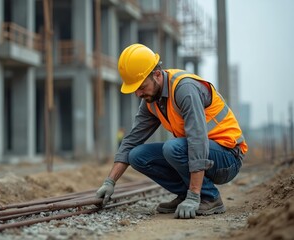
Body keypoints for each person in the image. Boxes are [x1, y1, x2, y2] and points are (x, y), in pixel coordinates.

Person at [95, 43, 248, 219]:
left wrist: (195, 194)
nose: (138, 94)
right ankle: (185, 194)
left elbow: (197, 140)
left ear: (157, 75)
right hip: (201, 152)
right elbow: (131, 141)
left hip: (228, 156)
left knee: (173, 148)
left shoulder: (184, 89)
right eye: (135, 89)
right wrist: (110, 181)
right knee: (136, 155)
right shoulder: (150, 101)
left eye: (142, 87)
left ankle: (208, 197)